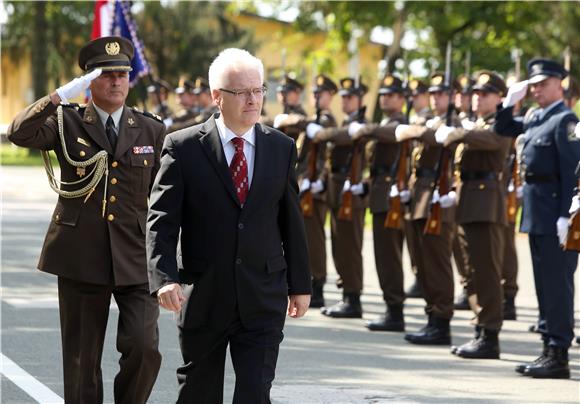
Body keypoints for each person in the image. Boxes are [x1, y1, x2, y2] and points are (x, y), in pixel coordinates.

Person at [147, 48, 311, 403]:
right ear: (217, 97)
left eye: (258, 90)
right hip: (204, 293)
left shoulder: (281, 147)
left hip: (262, 294)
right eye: (242, 92)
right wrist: (165, 277)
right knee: (198, 393)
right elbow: (162, 219)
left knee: (255, 393)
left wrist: (301, 283)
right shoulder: (183, 147)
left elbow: (291, 220)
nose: (253, 100)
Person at [7, 36, 164, 403]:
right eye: (106, 74)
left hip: (135, 254)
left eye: (122, 74)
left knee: (145, 347)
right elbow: (19, 132)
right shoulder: (67, 122)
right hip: (81, 254)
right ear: (89, 81)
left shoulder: (151, 128)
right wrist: (59, 96)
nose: (116, 81)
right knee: (82, 362)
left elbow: (162, 197)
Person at [494, 58, 580, 379]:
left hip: (555, 213)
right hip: (535, 211)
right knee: (544, 285)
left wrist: (566, 217)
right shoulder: (534, 117)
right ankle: (548, 348)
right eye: (533, 85)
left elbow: (573, 172)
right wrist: (508, 102)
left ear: (560, 84)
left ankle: (559, 354)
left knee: (557, 286)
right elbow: (502, 128)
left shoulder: (565, 121)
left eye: (543, 83)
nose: (537, 89)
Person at [437, 70, 512, 359]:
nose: (478, 98)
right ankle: (480, 327)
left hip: (486, 203)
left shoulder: (500, 123)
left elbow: (491, 141)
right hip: (468, 200)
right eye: (476, 93)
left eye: (485, 94)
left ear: (500, 98)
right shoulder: (477, 123)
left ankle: (490, 333)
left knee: (487, 270)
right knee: (471, 270)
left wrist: (457, 133)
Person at [396, 72, 461, 345]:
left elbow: (438, 139)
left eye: (441, 93)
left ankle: (441, 322)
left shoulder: (455, 123)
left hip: (438, 195)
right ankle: (431, 317)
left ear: (453, 96)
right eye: (432, 93)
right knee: (421, 262)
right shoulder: (428, 120)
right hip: (419, 195)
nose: (435, 98)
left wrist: (418, 131)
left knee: (437, 263)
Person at [350, 74, 408, 331]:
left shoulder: (400, 124)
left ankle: (396, 311)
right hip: (379, 195)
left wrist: (365, 129)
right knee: (384, 257)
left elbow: (391, 135)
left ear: (402, 99)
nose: (385, 98)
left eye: (391, 94)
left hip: (393, 198)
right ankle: (392, 307)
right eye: (383, 94)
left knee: (390, 257)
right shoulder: (383, 123)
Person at [309, 77, 368, 318]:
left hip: (350, 191)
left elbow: (342, 138)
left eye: (350, 97)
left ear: (360, 99)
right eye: (343, 97)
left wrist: (322, 133)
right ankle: (347, 296)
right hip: (336, 187)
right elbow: (332, 158)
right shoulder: (347, 122)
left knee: (349, 246)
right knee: (339, 244)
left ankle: (353, 298)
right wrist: (322, 178)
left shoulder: (360, 124)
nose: (345, 101)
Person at [299, 74, 338, 308]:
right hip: (305, 184)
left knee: (314, 239)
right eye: (314, 93)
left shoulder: (328, 121)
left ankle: (318, 285)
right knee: (305, 237)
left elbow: (328, 157)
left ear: (330, 96)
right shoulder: (312, 120)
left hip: (316, 187)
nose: (315, 97)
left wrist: (319, 180)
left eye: (320, 94)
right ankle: (311, 282)